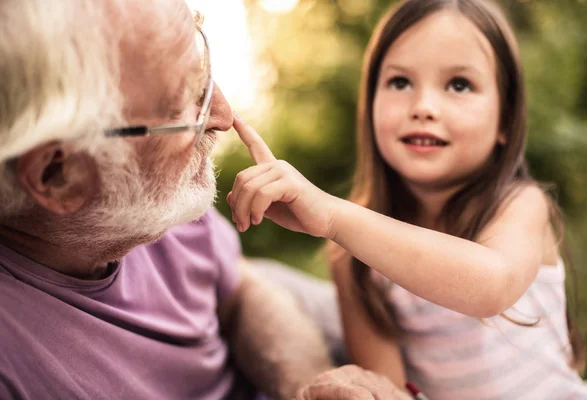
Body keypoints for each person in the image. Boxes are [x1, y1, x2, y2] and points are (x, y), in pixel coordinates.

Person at [0, 0, 411, 399]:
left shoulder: (144, 198)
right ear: (59, 176)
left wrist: (306, 386)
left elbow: (237, 288)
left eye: (204, 70)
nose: (224, 115)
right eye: (186, 103)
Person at [227, 0, 587, 398]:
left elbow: (492, 285)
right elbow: (388, 390)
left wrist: (334, 216)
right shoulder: (353, 259)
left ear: (505, 121)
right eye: (400, 83)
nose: (423, 108)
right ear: (369, 105)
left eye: (459, 85)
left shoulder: (520, 204)